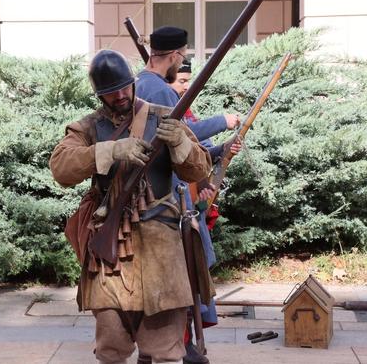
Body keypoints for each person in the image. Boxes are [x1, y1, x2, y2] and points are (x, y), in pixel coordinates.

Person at [50, 49, 212, 364]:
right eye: (112, 93)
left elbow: (200, 170)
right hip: (110, 260)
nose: (121, 95)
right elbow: (61, 167)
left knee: (165, 351)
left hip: (161, 254)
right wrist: (110, 150)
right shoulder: (88, 128)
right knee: (111, 349)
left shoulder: (166, 116)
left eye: (125, 87)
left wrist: (180, 143)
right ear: (99, 95)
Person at [135, 26, 239, 364]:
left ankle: (173, 347)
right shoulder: (160, 91)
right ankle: (182, 347)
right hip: (167, 204)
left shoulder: (142, 82)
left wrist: (218, 151)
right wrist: (222, 120)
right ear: (176, 55)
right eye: (182, 56)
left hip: (155, 199)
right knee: (184, 279)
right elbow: (185, 135)